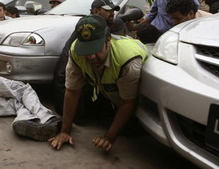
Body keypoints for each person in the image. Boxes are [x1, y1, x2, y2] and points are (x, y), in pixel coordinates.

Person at [49, 15, 147, 151]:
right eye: (86, 51)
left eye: (95, 50)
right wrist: (65, 131)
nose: (91, 57)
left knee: (131, 128)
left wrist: (109, 137)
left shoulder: (128, 60)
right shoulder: (76, 52)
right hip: (108, 89)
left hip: (135, 97)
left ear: (108, 41)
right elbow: (72, 91)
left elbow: (128, 103)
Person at [52, 0, 120, 117]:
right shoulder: (90, 29)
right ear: (96, 11)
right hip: (68, 89)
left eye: (113, 10)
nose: (112, 13)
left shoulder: (91, 25)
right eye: (108, 10)